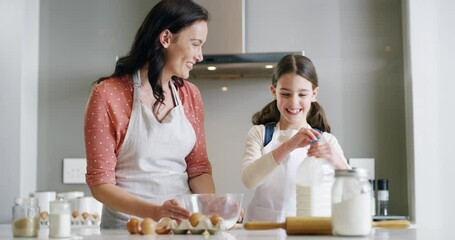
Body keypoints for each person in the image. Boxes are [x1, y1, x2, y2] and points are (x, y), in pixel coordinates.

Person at [83, 0, 215, 229]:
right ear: (165, 39)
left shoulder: (190, 95)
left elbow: (198, 169)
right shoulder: (107, 95)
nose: (200, 55)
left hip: (181, 228)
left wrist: (213, 208)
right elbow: (100, 184)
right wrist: (155, 212)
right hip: (127, 228)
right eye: (195, 44)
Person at [241, 54, 350, 222]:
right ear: (274, 91)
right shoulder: (260, 134)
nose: (293, 102)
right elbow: (249, 180)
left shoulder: (327, 141)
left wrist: (334, 158)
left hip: (310, 230)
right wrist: (290, 145)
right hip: (264, 231)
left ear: (314, 94)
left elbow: (350, 187)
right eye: (285, 94)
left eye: (302, 94)